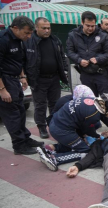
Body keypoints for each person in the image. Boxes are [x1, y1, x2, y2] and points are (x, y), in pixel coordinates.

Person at [0, 16, 44, 155]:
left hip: (15, 80)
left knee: (20, 111)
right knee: (12, 114)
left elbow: (17, 60)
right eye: (26, 33)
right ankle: (19, 145)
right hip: (5, 81)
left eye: (30, 33)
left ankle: (25, 138)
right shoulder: (3, 39)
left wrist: (22, 76)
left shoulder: (19, 40)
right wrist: (2, 89)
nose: (29, 36)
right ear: (15, 28)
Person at [42, 93, 108, 171]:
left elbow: (104, 117)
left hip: (56, 122)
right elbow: (87, 130)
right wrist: (98, 137)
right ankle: (55, 159)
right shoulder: (93, 114)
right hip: (61, 130)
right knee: (86, 151)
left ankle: (48, 149)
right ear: (107, 107)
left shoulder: (94, 101)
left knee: (76, 144)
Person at [25, 17, 69, 139]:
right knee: (40, 105)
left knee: (55, 104)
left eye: (48, 28)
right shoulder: (29, 41)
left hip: (54, 78)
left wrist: (65, 70)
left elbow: (62, 56)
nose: (47, 30)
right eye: (43, 28)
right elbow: (24, 60)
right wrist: (25, 76)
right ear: (36, 28)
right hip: (38, 79)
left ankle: (54, 125)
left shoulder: (55, 40)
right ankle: (42, 127)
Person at [66, 11, 108, 97]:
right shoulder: (73, 35)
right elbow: (70, 52)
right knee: (89, 102)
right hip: (85, 74)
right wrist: (79, 60)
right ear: (82, 22)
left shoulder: (103, 36)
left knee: (107, 102)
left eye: (93, 26)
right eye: (87, 25)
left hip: (101, 74)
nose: (90, 28)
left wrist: (98, 59)